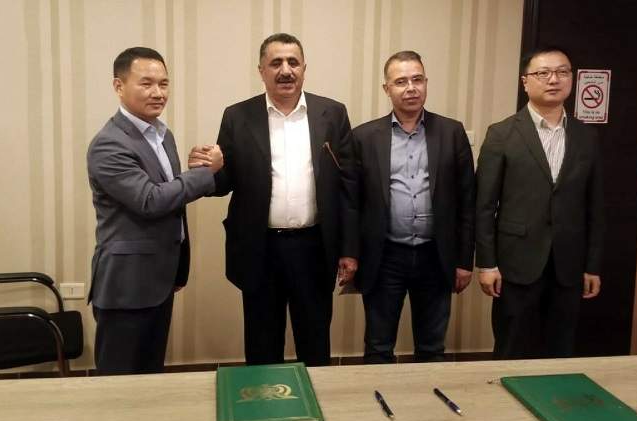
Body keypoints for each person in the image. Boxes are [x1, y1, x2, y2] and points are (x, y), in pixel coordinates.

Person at [189, 33, 358, 366]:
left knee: (315, 344)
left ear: (304, 68)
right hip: (260, 249)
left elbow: (349, 187)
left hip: (314, 248)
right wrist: (209, 171)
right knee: (262, 345)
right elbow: (225, 183)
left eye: (293, 62)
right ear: (261, 70)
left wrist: (350, 249)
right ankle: (263, 400)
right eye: (276, 63)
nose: (285, 70)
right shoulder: (237, 116)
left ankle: (314, 398)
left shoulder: (332, 113)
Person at [86, 47, 222, 375]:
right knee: (119, 382)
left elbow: (169, 194)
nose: (158, 93)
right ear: (119, 86)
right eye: (146, 83)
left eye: (163, 83)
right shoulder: (109, 143)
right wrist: (206, 174)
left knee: (150, 378)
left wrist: (193, 170)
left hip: (160, 277)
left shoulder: (162, 135)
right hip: (127, 284)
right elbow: (149, 200)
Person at [475, 46, 604, 359]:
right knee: (512, 346)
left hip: (568, 265)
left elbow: (596, 207)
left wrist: (592, 266)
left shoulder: (586, 137)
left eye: (562, 72)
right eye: (543, 73)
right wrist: (487, 264)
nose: (553, 80)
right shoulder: (502, 134)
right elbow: (483, 205)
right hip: (516, 262)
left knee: (560, 347)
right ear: (525, 82)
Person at [350, 51, 475, 364]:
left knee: (432, 347)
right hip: (384, 256)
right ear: (387, 88)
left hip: (436, 255)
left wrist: (464, 260)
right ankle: (377, 395)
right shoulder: (364, 137)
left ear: (426, 83)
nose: (411, 88)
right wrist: (350, 254)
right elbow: (352, 203)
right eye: (401, 81)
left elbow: (467, 201)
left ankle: (431, 396)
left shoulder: (451, 132)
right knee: (378, 346)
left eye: (417, 79)